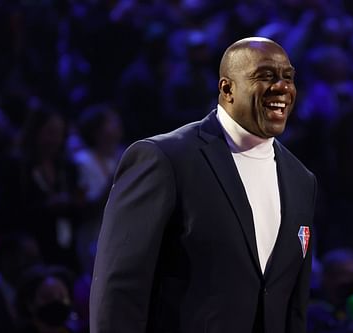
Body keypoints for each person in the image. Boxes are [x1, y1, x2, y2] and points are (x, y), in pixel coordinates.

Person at [90, 37, 317, 333]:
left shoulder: (302, 180)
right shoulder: (165, 158)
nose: (282, 87)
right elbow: (119, 289)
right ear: (227, 89)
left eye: (288, 77)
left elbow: (292, 306)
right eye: (266, 76)